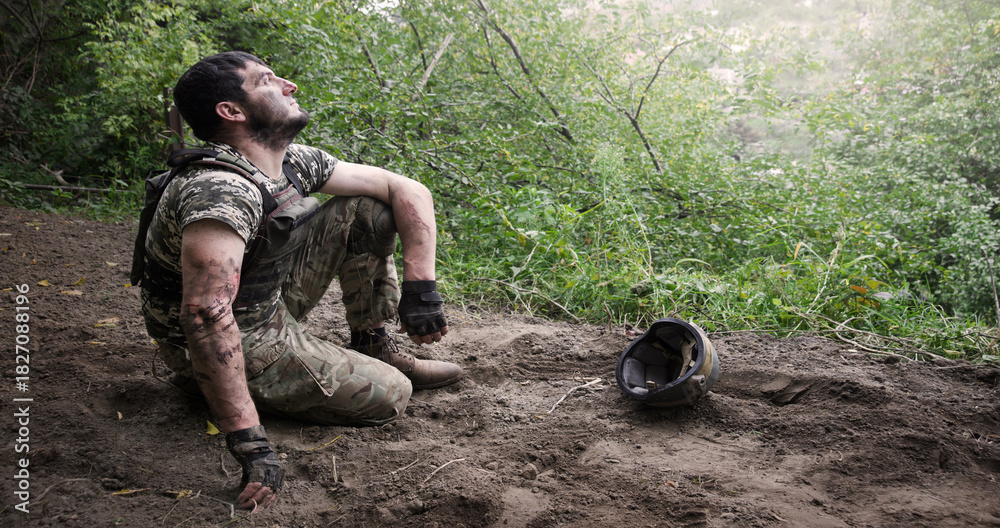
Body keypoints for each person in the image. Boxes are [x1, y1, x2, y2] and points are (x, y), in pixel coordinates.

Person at [137, 51, 463, 510]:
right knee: (392, 393)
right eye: (268, 80)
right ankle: (208, 386)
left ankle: (371, 341)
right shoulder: (219, 188)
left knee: (370, 210)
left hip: (265, 299)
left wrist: (421, 289)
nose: (289, 86)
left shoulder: (289, 162)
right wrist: (250, 443)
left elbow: (406, 188)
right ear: (231, 111)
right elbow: (206, 315)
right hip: (222, 337)